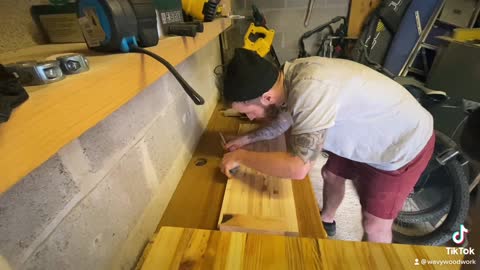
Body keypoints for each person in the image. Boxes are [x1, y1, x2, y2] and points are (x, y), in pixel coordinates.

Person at [219, 48, 435, 243]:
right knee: (331, 175)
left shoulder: (310, 89)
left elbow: (297, 168)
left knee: (374, 224)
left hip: (401, 143)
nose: (248, 117)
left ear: (266, 98)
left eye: (247, 112)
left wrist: (241, 157)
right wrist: (245, 141)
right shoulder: (286, 80)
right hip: (361, 125)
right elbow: (283, 122)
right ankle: (327, 219)